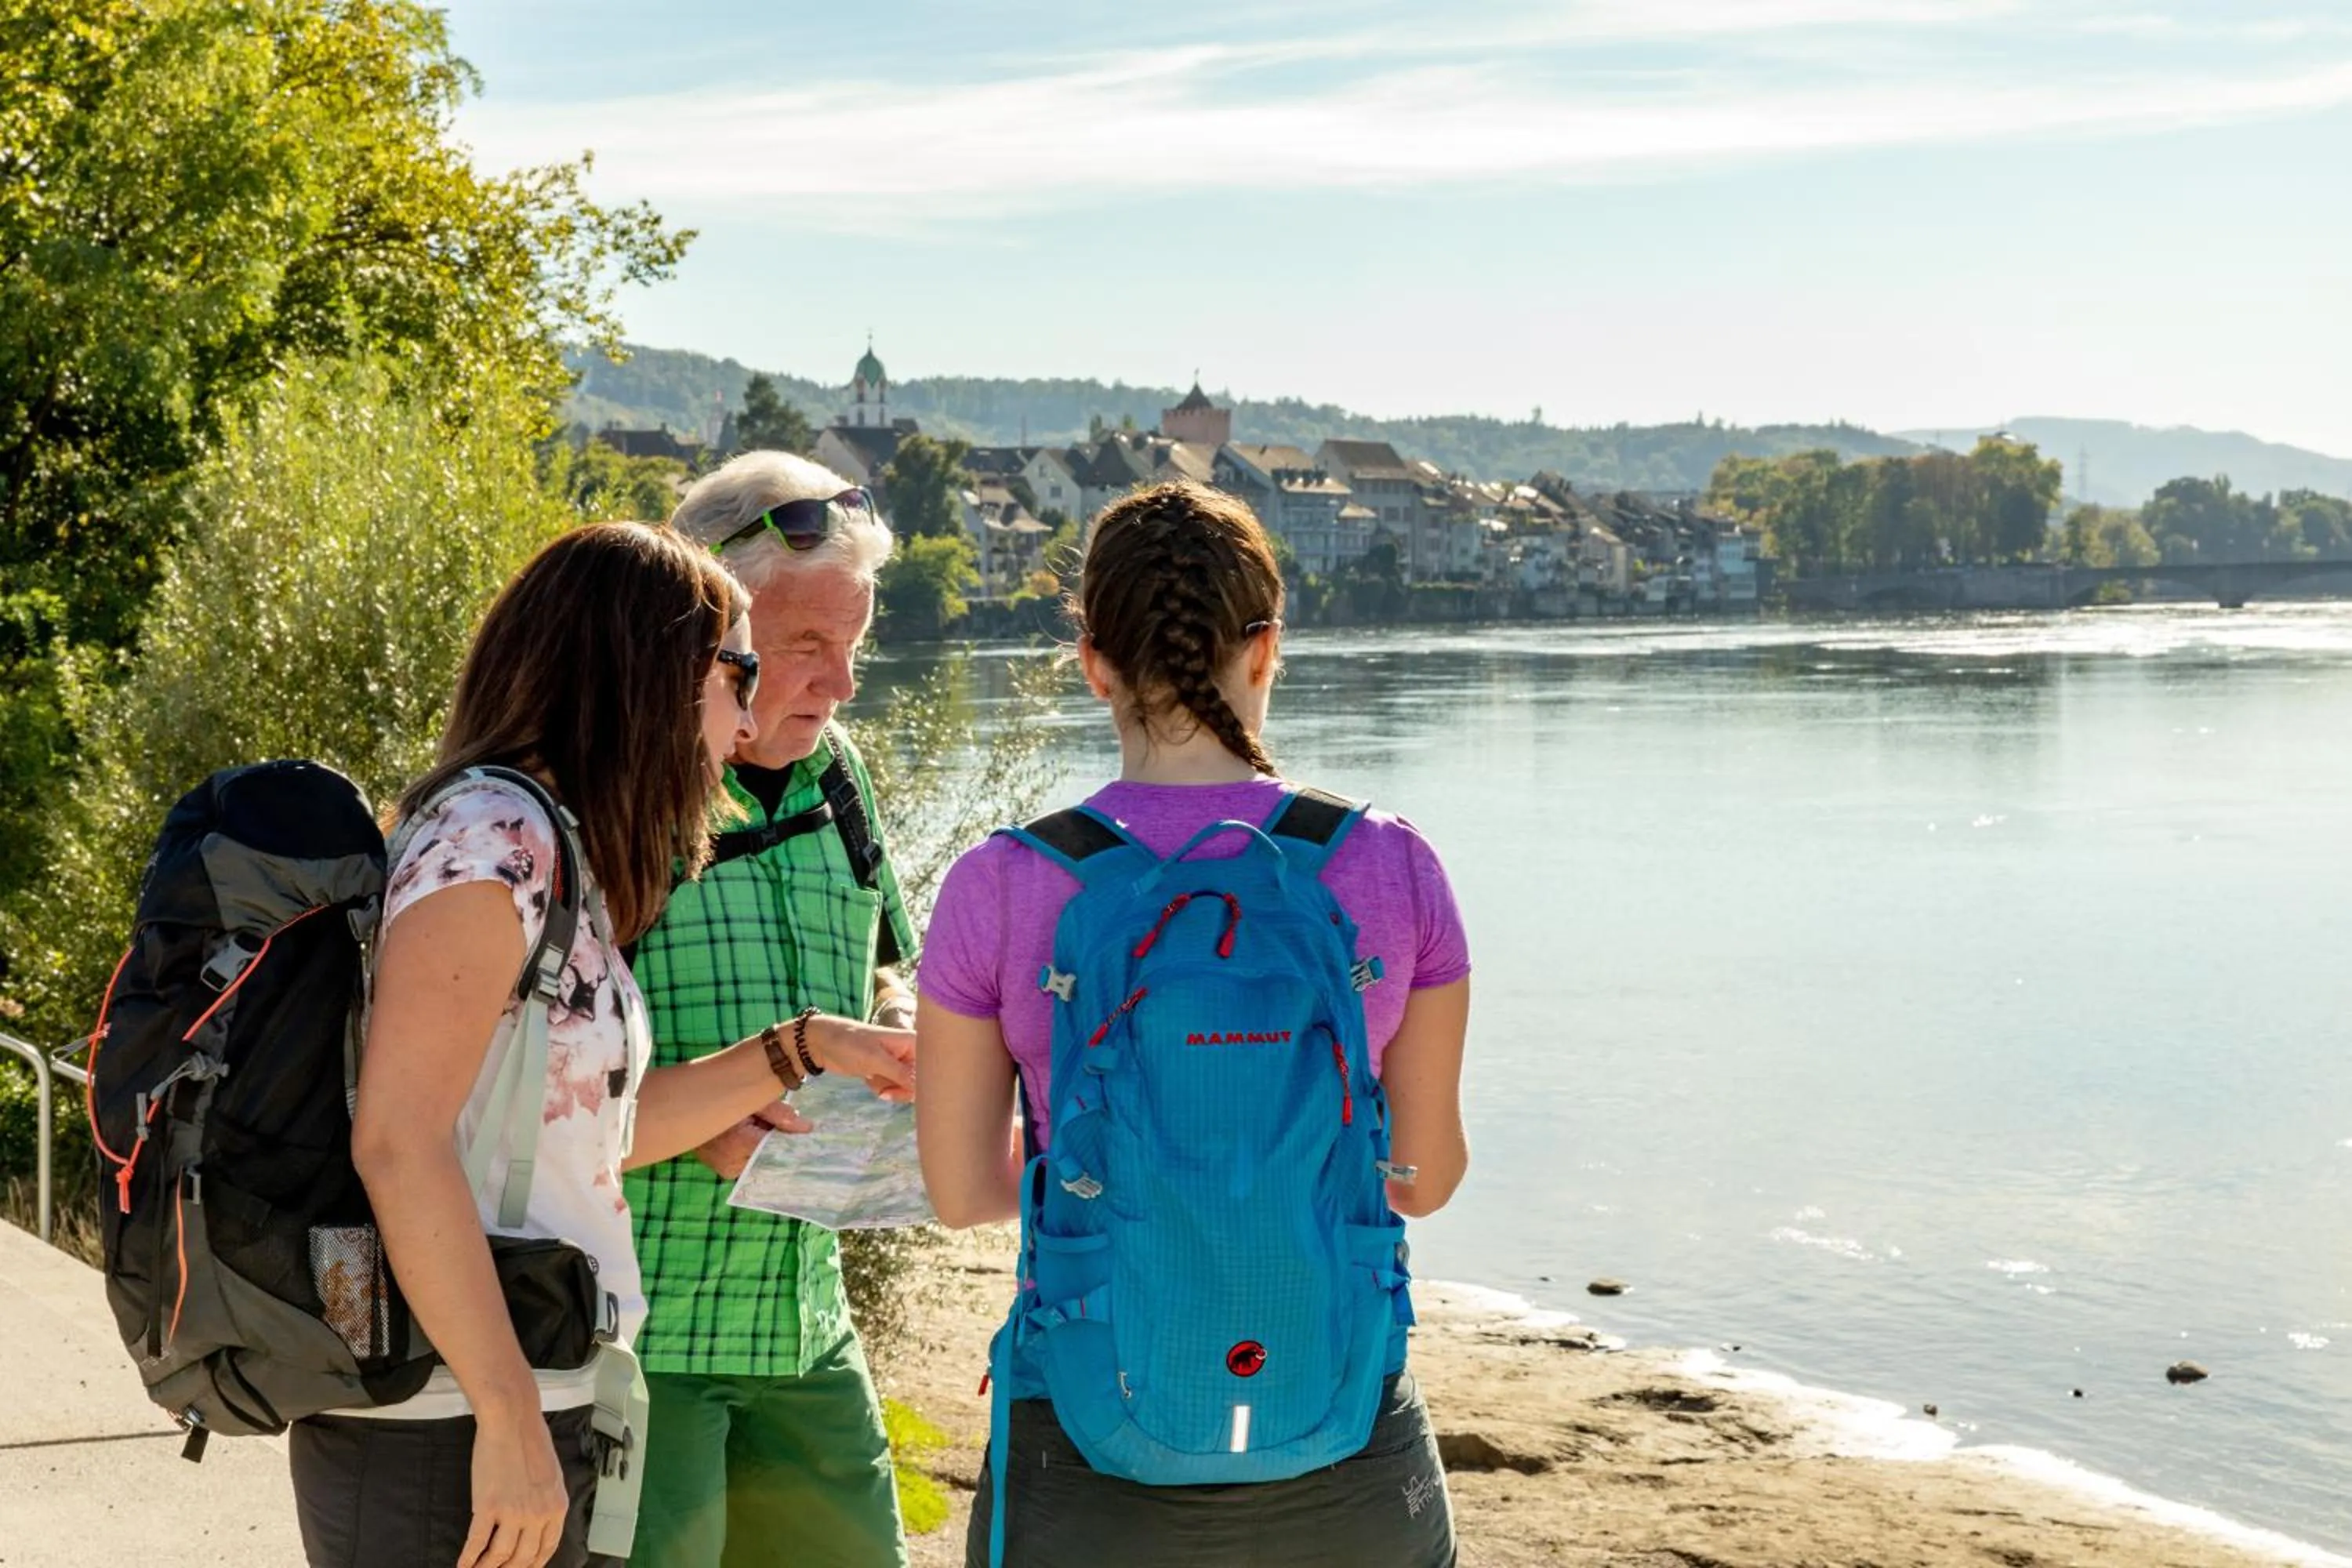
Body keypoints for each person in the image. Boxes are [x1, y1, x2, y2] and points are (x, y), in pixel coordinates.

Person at [293, 522, 916, 1568]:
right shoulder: (493, 845)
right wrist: (506, 1417)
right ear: (650, 674)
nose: (751, 707)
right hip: (446, 1412)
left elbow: (598, 1133)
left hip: (532, 1384)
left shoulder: (551, 849)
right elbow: (398, 1141)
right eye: (740, 669)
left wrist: (800, 1048)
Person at [915, 481, 1473, 1567]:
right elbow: (1422, 1177)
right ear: (1265, 652)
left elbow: (964, 1193)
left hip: (1082, 1439)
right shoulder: (1393, 863)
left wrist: (1123, 1147)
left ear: (1094, 662)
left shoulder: (1005, 883)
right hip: (1344, 1437)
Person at [625, 452, 920, 1568]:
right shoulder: (604, 795)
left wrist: (903, 1038)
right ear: (706, 631)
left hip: (805, 1327)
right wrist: (709, 1118)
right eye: (805, 649)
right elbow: (531, 1084)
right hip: (643, 1338)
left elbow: (886, 965)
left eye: (853, 650)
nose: (839, 686)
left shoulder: (838, 771)